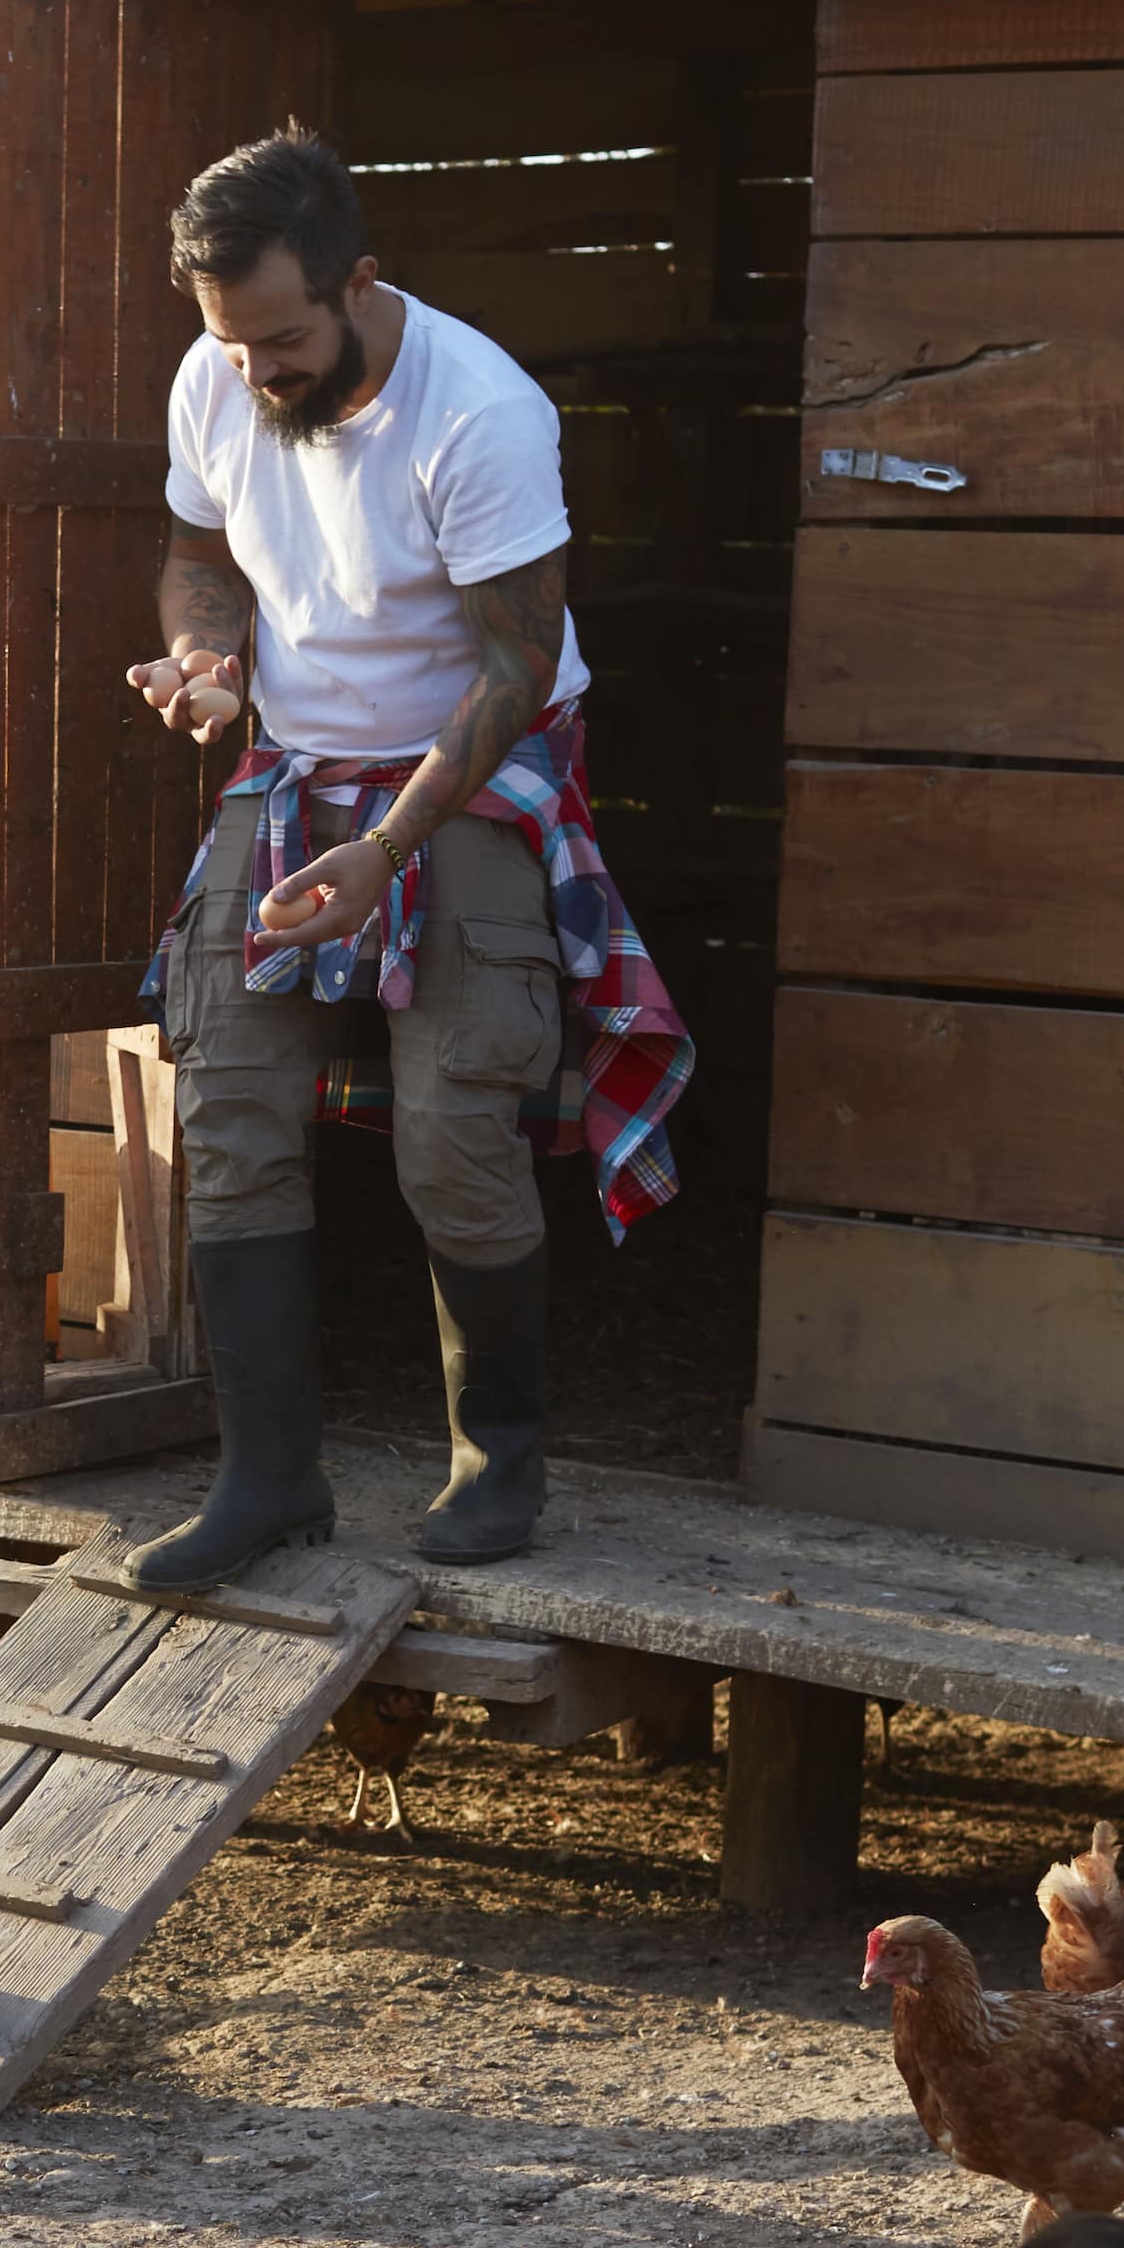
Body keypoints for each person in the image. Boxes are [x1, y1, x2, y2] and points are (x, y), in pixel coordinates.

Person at [118, 129, 693, 1592]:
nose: (252, 372)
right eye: (228, 342)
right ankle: (267, 1482)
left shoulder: (480, 409)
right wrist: (210, 655)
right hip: (295, 760)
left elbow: (519, 664)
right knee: (229, 1093)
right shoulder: (215, 372)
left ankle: (497, 1460)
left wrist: (386, 848)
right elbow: (197, 552)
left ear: (361, 282)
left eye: (281, 338)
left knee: (455, 1113)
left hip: (475, 762)